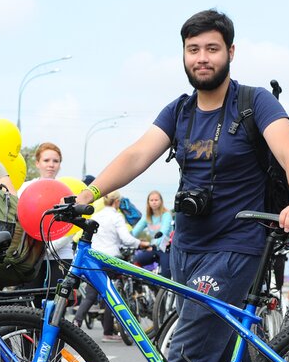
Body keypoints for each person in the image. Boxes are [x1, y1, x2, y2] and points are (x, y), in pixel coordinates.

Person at [75, 9, 289, 362]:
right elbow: (138, 154)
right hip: (186, 249)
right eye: (193, 50)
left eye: (211, 48)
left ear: (230, 52)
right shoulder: (180, 111)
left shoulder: (254, 102)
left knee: (184, 352)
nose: (202, 58)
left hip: (237, 246)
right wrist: (89, 192)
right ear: (183, 56)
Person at [72, 191, 149, 339]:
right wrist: (142, 244)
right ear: (117, 202)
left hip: (94, 259)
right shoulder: (116, 216)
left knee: (90, 294)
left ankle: (77, 321)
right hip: (110, 259)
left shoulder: (96, 216)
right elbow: (126, 239)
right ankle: (108, 332)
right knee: (111, 292)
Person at [19, 142, 74, 287]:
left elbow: (70, 228)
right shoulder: (25, 188)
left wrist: (48, 248)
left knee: (56, 303)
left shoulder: (67, 191)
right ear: (37, 163)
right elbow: (18, 219)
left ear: (60, 165)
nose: (51, 165)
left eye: (55, 161)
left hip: (60, 256)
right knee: (29, 301)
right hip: (31, 256)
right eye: (46, 160)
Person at [131, 190, 173, 278]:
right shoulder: (147, 216)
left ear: (161, 201)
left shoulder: (166, 215)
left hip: (166, 248)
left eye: (156, 200)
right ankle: (142, 284)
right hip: (153, 248)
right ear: (148, 202)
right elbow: (136, 230)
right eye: (151, 200)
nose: (154, 202)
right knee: (136, 260)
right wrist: (128, 239)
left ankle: (165, 290)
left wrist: (153, 244)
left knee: (166, 274)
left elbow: (163, 232)